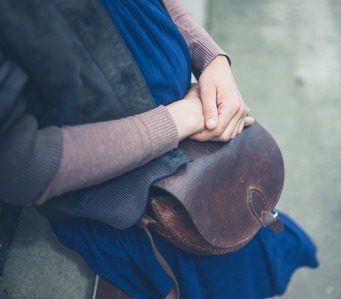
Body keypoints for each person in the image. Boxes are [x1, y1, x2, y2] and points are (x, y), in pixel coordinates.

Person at [0, 0, 318, 298]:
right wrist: (181, 118)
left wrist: (211, 59)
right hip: (138, 203)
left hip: (200, 157)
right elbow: (19, 165)